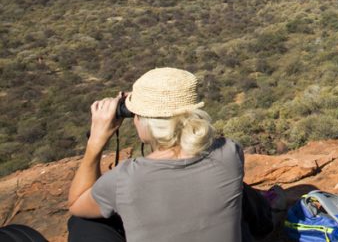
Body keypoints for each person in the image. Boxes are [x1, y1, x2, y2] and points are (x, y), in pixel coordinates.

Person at [67, 68, 271, 242]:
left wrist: (96, 141)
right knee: (237, 189)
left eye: (137, 115)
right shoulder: (229, 154)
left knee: (82, 222)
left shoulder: (125, 179)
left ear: (144, 121)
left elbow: (76, 204)